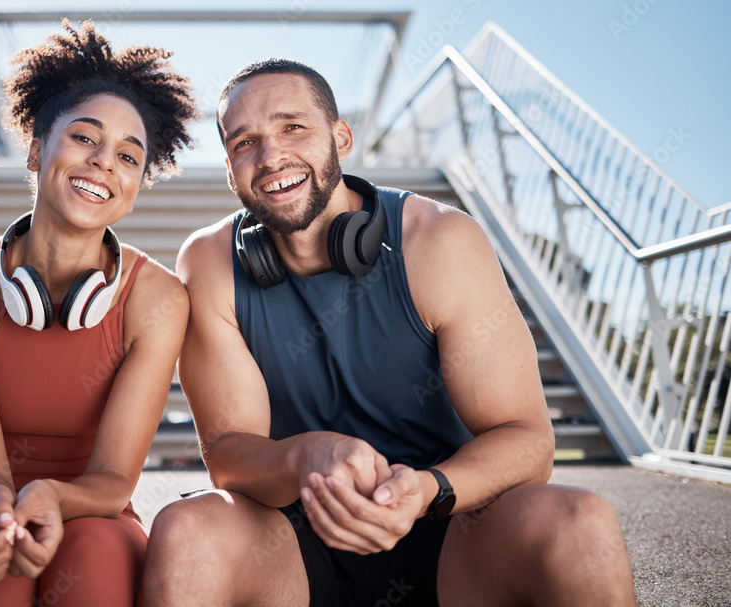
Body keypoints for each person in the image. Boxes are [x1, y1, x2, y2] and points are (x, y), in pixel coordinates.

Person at [139, 58, 636, 606]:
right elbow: (230, 454)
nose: (271, 155)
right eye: (244, 142)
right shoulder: (208, 262)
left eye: (293, 127)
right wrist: (306, 456)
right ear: (231, 172)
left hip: (447, 528)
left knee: (581, 523)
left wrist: (424, 490)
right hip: (289, 544)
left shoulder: (439, 240)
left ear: (341, 136)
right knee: (185, 531)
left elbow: (528, 440)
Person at [0, 20, 195, 606]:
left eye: (129, 157)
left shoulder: (159, 299)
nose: (104, 163)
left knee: (94, 570)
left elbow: (112, 481)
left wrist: (57, 501)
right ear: (37, 149)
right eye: (84, 138)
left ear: (137, 185)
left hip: (97, 512)